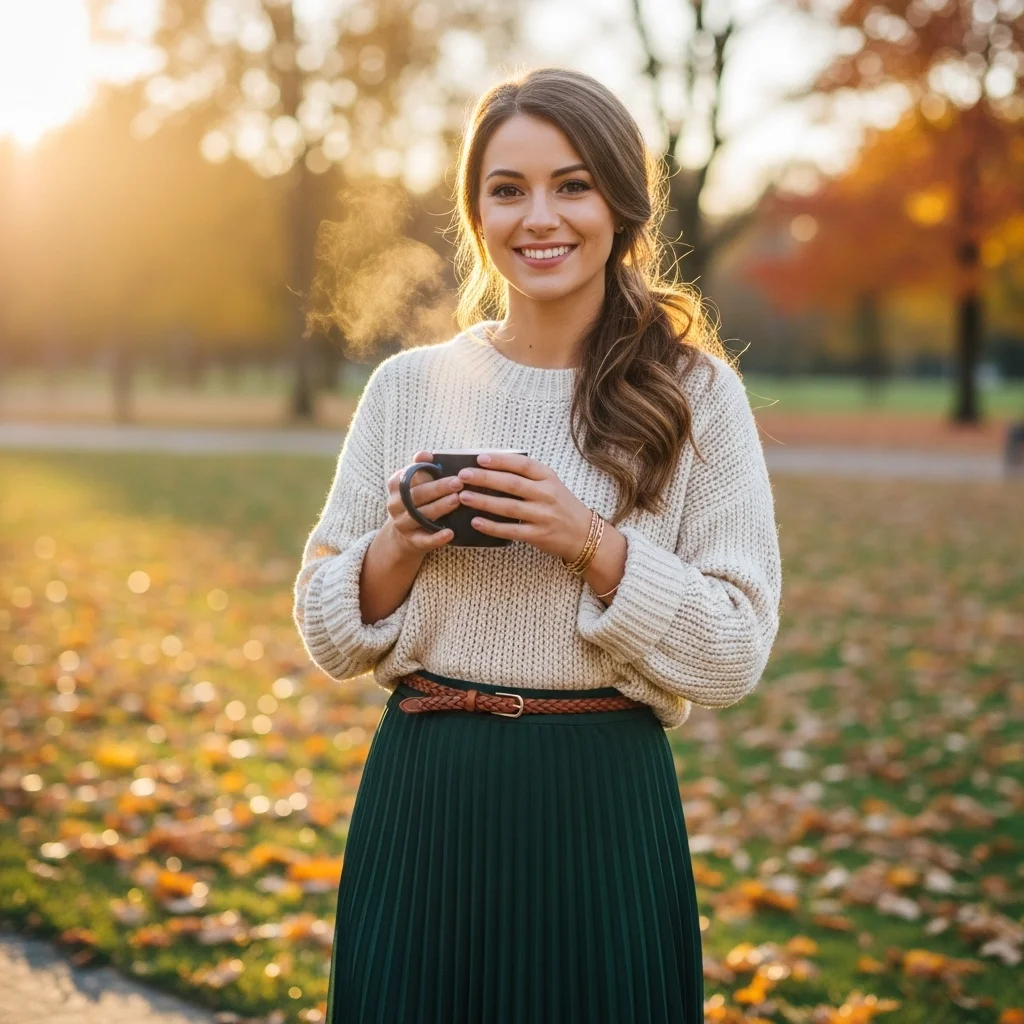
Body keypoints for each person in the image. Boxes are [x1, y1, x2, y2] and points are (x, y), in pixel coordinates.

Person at [293, 65, 782, 1024]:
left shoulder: (696, 395)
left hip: (600, 806)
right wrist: (399, 545)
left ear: (621, 204)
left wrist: (589, 542)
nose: (539, 217)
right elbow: (324, 626)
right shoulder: (407, 387)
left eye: (573, 184)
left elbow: (735, 650)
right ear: (477, 213)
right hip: (426, 797)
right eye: (508, 189)